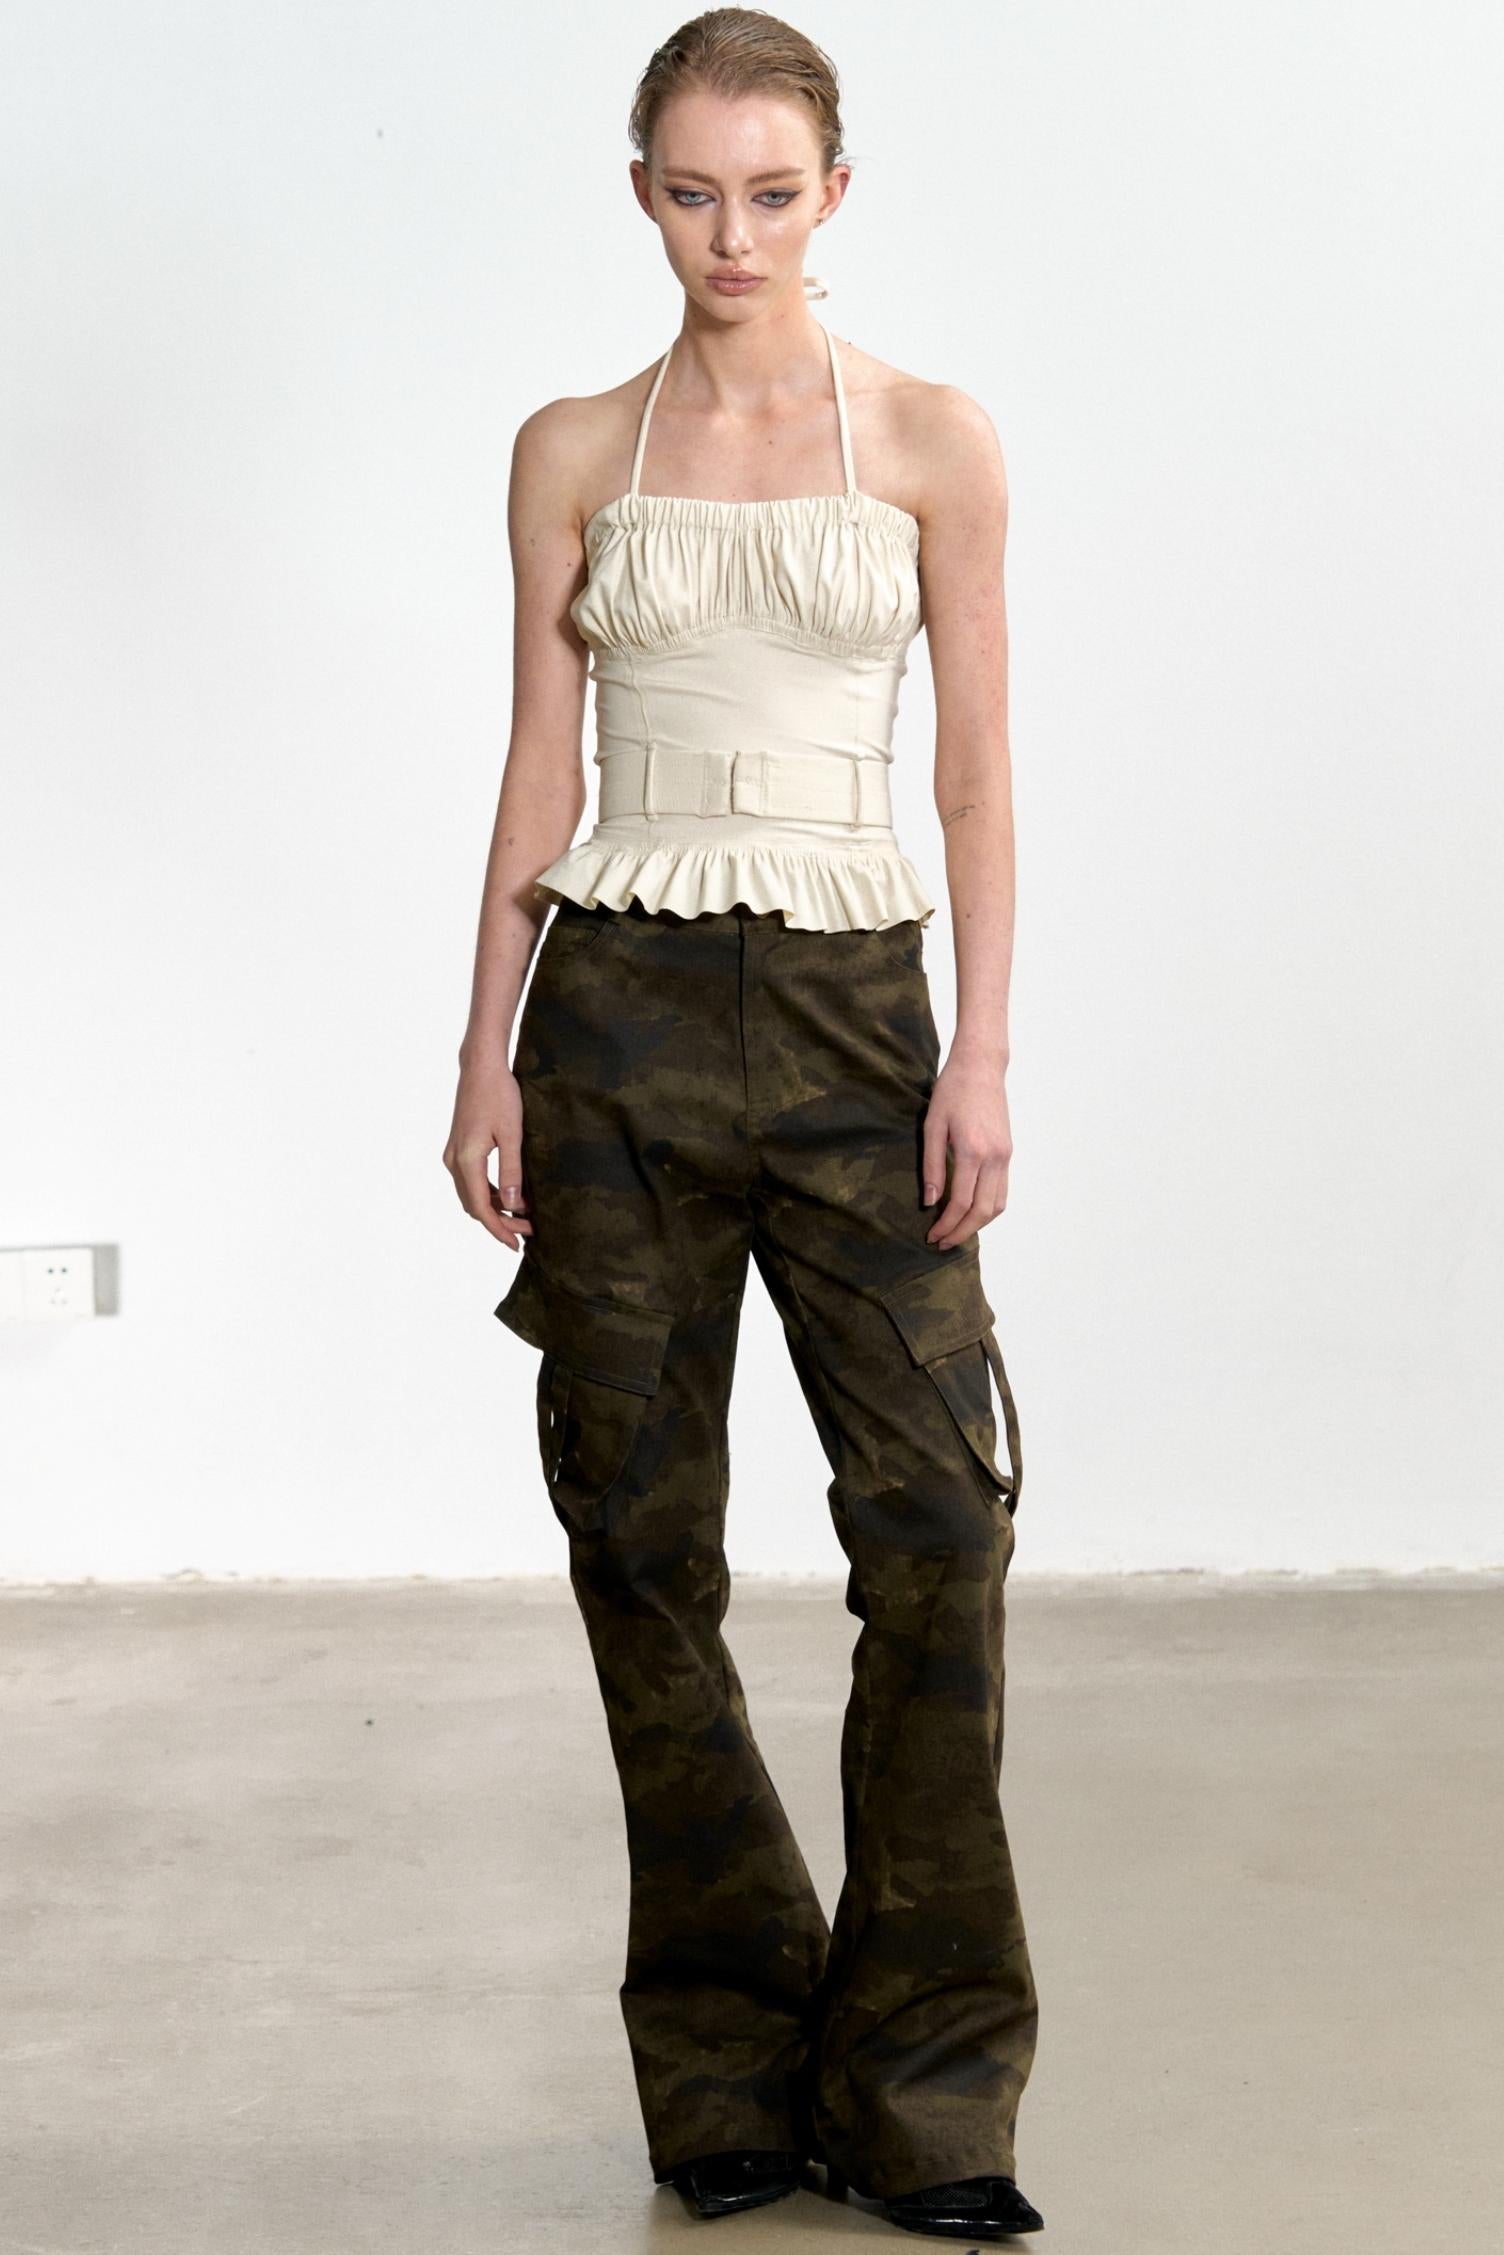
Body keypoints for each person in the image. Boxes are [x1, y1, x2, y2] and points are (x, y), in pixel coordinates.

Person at [443, 10, 1042, 2240]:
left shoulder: (930, 439)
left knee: (938, 1526)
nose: (732, 234)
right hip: (611, 1021)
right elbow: (539, 762)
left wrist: (980, 1054)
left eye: (771, 194)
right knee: (636, 1535)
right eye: (693, 192)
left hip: (856, 1016)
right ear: (642, 195)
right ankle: (718, 2061)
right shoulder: (571, 448)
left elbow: (971, 771)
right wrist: (482, 1049)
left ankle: (927, 2087)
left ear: (832, 196)